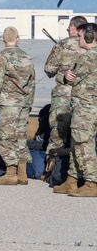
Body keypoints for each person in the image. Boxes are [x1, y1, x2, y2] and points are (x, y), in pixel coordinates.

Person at [0, 26, 36, 186]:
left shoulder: (1, 57)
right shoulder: (26, 57)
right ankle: (22, 173)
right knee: (20, 136)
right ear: (18, 38)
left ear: (3, 40)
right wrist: (29, 103)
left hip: (9, 103)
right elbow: (31, 83)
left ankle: (11, 172)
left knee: (6, 138)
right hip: (23, 103)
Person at [43, 15, 87, 185]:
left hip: (62, 96)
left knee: (57, 135)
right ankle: (78, 174)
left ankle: (52, 171)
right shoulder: (91, 46)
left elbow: (49, 69)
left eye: (69, 27)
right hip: (83, 98)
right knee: (81, 136)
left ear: (73, 27)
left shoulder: (62, 44)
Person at [59, 22, 97, 196]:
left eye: (81, 36)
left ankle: (91, 182)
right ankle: (72, 179)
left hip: (85, 107)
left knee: (83, 144)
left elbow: (73, 77)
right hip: (87, 106)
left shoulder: (90, 56)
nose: (78, 39)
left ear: (89, 37)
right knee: (77, 143)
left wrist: (67, 74)